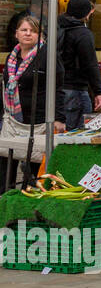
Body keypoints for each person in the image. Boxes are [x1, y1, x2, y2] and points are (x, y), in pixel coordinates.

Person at [2, 17, 66, 178]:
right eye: (24, 30)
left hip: (38, 120)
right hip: (13, 120)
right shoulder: (12, 56)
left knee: (33, 169)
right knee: (5, 163)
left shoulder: (47, 55)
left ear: (39, 35)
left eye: (33, 31)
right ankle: (6, 197)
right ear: (16, 34)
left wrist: (59, 118)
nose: (28, 34)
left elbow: (57, 88)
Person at [57, 0, 101, 131]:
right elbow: (90, 64)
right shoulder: (83, 34)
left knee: (61, 131)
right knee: (78, 133)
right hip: (76, 89)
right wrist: (98, 91)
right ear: (85, 13)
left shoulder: (56, 28)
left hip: (58, 88)